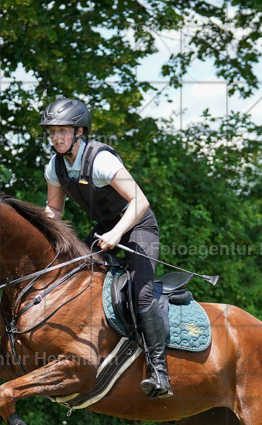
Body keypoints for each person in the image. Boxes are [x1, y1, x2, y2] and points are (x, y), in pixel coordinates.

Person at [40, 97, 172, 399]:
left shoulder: (101, 160)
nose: (56, 137)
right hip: (106, 228)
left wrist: (115, 233)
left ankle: (159, 372)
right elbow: (54, 210)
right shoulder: (55, 167)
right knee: (69, 276)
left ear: (79, 132)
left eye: (62, 131)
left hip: (137, 226)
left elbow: (140, 201)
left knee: (141, 294)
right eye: (52, 132)